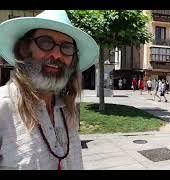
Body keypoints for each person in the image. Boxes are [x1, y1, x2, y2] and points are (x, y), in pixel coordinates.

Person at [0, 10, 99, 170]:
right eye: (45, 42)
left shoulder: (67, 111)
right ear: (23, 49)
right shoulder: (3, 109)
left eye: (66, 47)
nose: (57, 55)